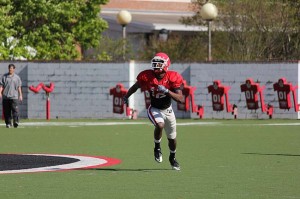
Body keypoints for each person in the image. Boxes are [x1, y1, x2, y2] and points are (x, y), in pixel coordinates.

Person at [123, 52, 184, 171]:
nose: (156, 65)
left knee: (172, 138)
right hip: (154, 108)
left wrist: (167, 91)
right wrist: (127, 96)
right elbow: (135, 87)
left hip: (168, 110)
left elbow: (180, 98)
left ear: (166, 65)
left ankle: (172, 158)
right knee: (159, 124)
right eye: (155, 62)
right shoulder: (147, 76)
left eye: (160, 63)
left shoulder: (172, 77)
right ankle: (157, 148)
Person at [0, 64, 23, 128]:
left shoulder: (17, 78)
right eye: (9, 68)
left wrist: (20, 95)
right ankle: (8, 123)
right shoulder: (4, 77)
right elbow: (1, 86)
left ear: (14, 69)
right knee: (7, 111)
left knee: (15, 110)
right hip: (6, 97)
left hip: (14, 97)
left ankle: (16, 122)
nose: (10, 69)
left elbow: (19, 87)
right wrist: (0, 93)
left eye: (12, 68)